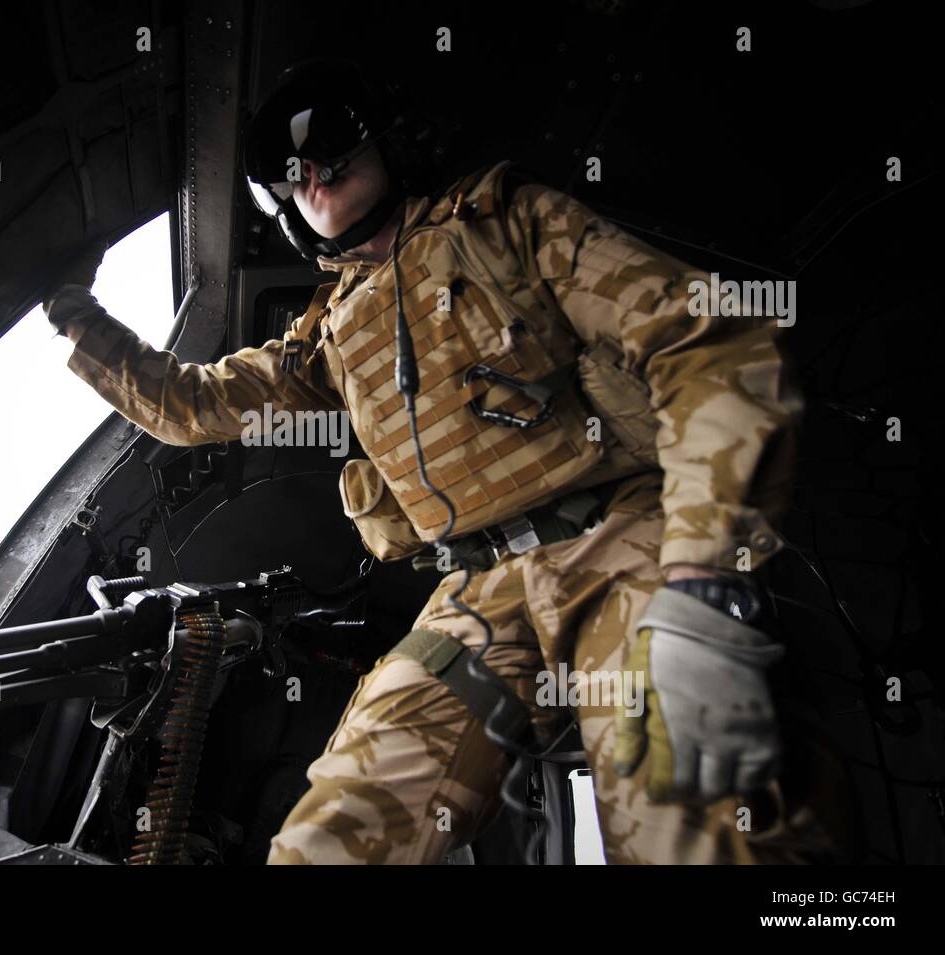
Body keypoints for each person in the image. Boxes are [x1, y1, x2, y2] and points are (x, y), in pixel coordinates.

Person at [43, 59, 850, 864]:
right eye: (291, 173)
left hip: (622, 545)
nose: (314, 172)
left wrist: (704, 571)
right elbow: (191, 404)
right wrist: (72, 309)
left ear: (389, 140)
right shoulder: (328, 334)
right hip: (474, 593)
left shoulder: (505, 223)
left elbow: (707, 345)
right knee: (329, 836)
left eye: (329, 142)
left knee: (695, 817)